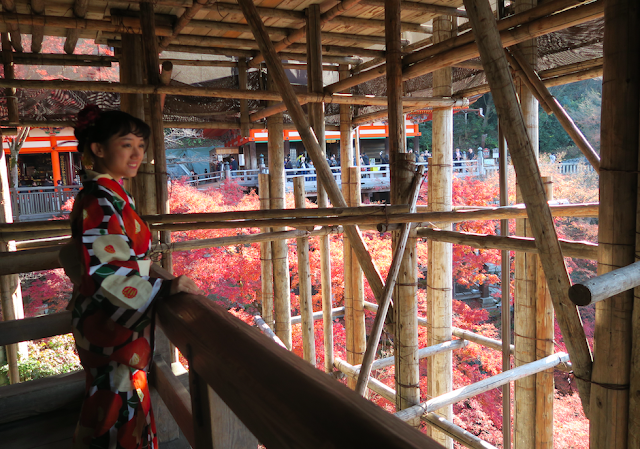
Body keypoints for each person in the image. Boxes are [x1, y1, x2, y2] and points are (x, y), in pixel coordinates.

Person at [61, 105, 203, 449]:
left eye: (141, 145)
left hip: (109, 314)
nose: (138, 153)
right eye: (127, 144)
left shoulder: (108, 194)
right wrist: (164, 287)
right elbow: (106, 269)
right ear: (98, 149)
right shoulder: (100, 199)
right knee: (118, 402)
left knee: (116, 398)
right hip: (109, 319)